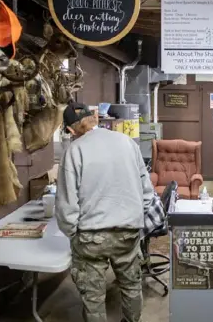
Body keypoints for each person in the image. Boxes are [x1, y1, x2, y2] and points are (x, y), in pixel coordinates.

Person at [56, 102, 153, 322]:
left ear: (70, 130)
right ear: (95, 119)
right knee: (131, 286)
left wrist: (72, 232)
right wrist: (136, 217)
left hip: (91, 236)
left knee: (93, 297)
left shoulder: (73, 151)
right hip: (128, 231)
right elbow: (146, 192)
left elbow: (66, 204)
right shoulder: (127, 142)